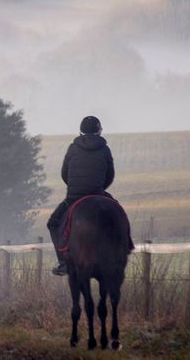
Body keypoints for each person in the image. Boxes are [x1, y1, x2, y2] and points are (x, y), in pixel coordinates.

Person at [47, 115, 116, 276]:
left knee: (53, 223)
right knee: (116, 215)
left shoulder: (73, 148)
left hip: (74, 196)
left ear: (81, 131)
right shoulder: (105, 149)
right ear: (99, 130)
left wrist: (75, 187)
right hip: (97, 194)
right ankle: (117, 254)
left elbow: (64, 174)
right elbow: (110, 175)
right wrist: (99, 189)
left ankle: (64, 262)